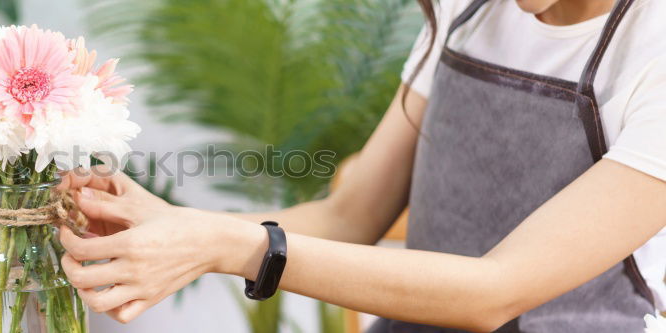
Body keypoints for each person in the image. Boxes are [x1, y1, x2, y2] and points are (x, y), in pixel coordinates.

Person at [56, 0, 666, 331]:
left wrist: (223, 245)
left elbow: (494, 291)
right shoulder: (468, 13)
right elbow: (350, 214)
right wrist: (169, 226)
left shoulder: (653, 50)